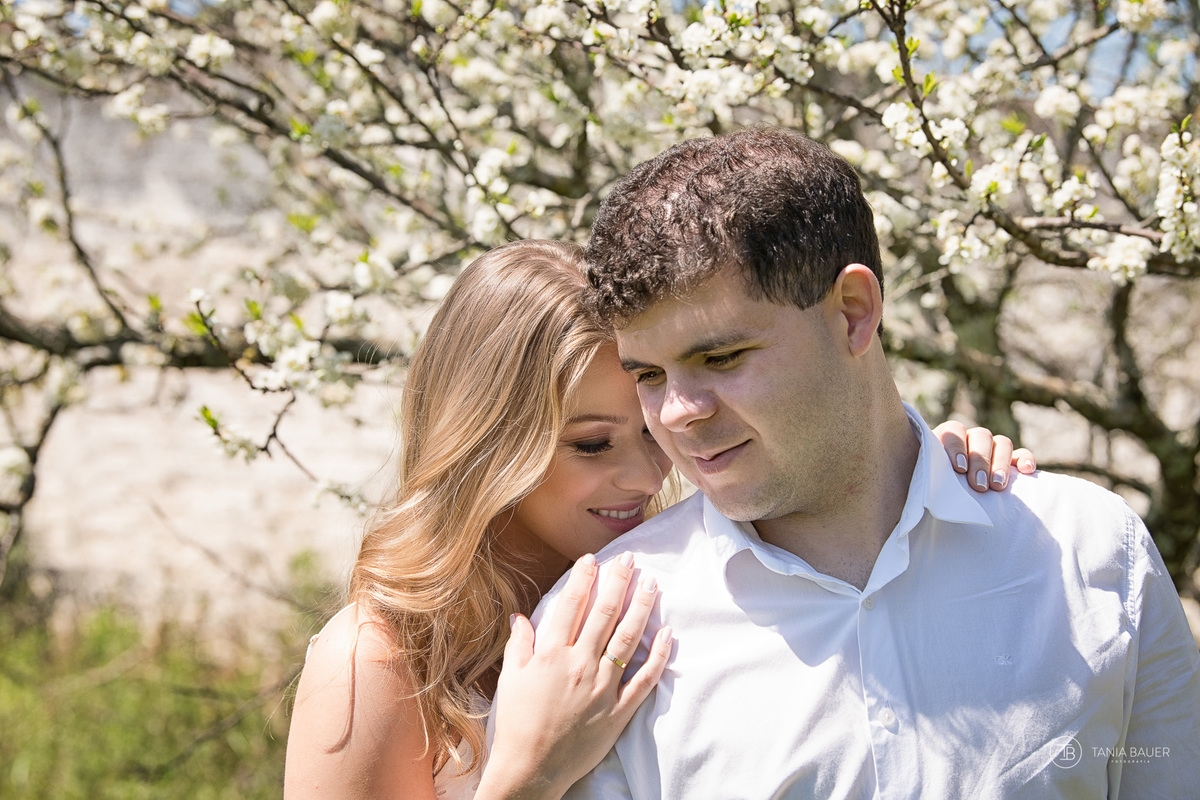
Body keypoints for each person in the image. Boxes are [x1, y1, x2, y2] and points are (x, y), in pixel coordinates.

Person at [517, 127, 1200, 797]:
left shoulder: (1096, 554)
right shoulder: (602, 637)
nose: (676, 413)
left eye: (719, 358)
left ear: (853, 312)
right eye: (650, 376)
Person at [283, 239, 1032, 799]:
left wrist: (917, 469)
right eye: (589, 444)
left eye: (649, 430)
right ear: (487, 443)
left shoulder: (672, 583)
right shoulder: (375, 663)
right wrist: (525, 778)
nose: (645, 476)